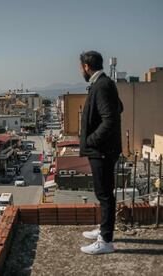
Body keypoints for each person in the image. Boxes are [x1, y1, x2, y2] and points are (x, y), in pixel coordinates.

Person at [79, 51, 123, 255]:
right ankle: (104, 231)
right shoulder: (104, 84)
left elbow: (110, 119)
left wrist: (91, 140)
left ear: (87, 67)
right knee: (103, 193)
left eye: (81, 67)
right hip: (104, 150)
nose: (81, 71)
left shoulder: (102, 85)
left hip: (102, 150)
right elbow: (118, 108)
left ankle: (105, 241)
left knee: (105, 194)